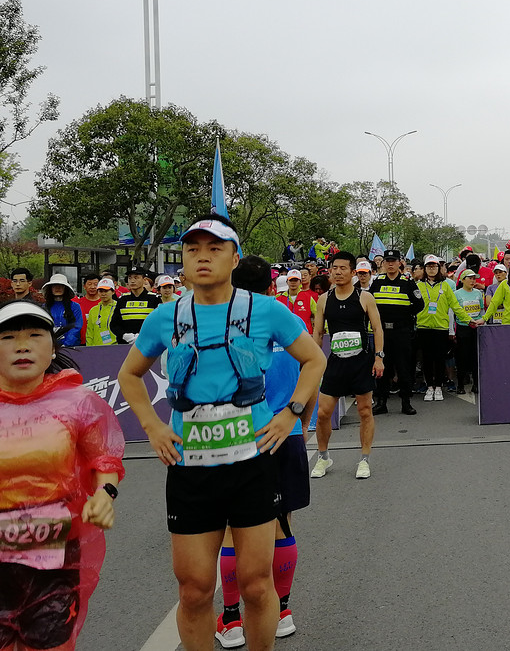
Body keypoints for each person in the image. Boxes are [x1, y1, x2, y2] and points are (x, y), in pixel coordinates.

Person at [116, 214, 326, 651]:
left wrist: (291, 413)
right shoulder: (165, 317)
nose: (202, 257)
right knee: (194, 589)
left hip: (251, 463)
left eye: (214, 249)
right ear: (183, 262)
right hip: (190, 468)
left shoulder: (265, 310)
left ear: (234, 258)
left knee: (255, 586)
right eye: (193, 250)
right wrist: (152, 426)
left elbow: (314, 359)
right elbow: (130, 376)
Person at [0, 300, 125, 651]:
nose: (22, 345)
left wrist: (105, 494)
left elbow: (105, 458)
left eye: (35, 335)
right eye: (8, 336)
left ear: (52, 347)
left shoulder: (78, 402)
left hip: (53, 561)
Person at [216, 256, 319, 646]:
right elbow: (311, 372)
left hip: (238, 434)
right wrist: (302, 423)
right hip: (287, 432)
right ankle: (283, 610)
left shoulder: (222, 325)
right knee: (282, 521)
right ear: (272, 287)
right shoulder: (290, 322)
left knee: (231, 528)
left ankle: (230, 619)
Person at [310, 251, 384, 479]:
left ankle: (364, 459)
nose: (338, 272)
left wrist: (379, 357)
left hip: (361, 361)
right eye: (335, 268)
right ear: (330, 271)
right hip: (336, 362)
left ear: (353, 273)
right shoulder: (324, 300)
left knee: (364, 410)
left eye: (343, 268)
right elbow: (318, 333)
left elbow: (377, 328)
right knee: (323, 413)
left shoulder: (365, 297)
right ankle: (323, 457)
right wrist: (313, 362)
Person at [369, 248, 424, 416]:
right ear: (383, 263)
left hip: (402, 332)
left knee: (404, 368)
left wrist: (406, 317)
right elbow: (369, 304)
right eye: (387, 261)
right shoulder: (377, 282)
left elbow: (419, 304)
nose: (390, 264)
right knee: (382, 368)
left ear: (400, 262)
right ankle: (382, 402)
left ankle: (406, 402)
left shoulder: (407, 282)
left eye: (393, 261)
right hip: (382, 333)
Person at [416, 254, 471, 402]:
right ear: (425, 268)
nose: (432, 269)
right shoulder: (418, 285)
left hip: (441, 327)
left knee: (439, 359)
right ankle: (429, 387)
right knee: (427, 360)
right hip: (423, 327)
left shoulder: (446, 285)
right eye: (429, 266)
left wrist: (468, 320)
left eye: (434, 266)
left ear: (439, 268)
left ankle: (439, 387)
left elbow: (455, 306)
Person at [452, 270, 485, 394]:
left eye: (474, 278)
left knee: (476, 357)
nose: (472, 281)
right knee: (462, 357)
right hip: (463, 328)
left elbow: (481, 310)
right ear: (462, 280)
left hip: (476, 328)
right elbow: (453, 312)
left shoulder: (478, 293)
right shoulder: (457, 294)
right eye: (469, 278)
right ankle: (460, 384)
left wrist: (481, 322)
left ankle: (476, 384)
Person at [110, 266, 160, 343]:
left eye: (136, 278)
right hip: (125, 343)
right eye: (130, 278)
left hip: (148, 343)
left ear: (144, 280)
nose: (132, 281)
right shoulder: (122, 299)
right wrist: (124, 336)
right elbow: (114, 324)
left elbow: (158, 323)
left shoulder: (154, 299)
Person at [42, 274, 85, 347]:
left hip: (72, 347)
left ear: (66, 288)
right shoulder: (44, 307)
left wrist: (67, 344)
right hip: (49, 347)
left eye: (61, 286)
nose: (57, 288)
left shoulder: (75, 306)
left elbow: (76, 327)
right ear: (50, 289)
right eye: (54, 285)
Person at [276, 269, 317, 334]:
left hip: (305, 336)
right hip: (285, 337)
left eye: (296, 280)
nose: (293, 282)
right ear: (287, 282)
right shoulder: (279, 299)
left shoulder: (308, 298)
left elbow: (317, 315)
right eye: (291, 280)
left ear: (300, 282)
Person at [86, 278, 120, 346]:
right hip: (96, 348)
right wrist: (89, 349)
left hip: (115, 348)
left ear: (113, 292)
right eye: (101, 291)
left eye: (106, 291)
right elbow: (89, 332)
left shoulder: (119, 308)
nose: (103, 294)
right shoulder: (93, 310)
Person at [75, 272, 102, 345]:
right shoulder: (77, 304)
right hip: (81, 342)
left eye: (95, 284)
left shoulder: (104, 303)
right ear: (84, 286)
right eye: (89, 284)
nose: (93, 287)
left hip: (100, 342)